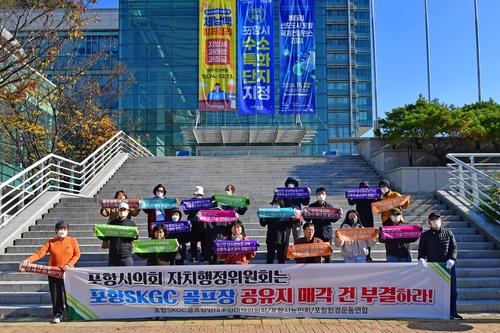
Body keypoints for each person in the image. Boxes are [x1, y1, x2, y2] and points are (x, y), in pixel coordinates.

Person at [22, 221, 80, 323]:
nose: (62, 231)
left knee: (69, 294)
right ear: (56, 230)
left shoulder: (72, 240)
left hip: (68, 272)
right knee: (56, 294)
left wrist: (69, 264)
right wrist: (28, 260)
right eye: (60, 229)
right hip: (54, 272)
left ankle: (72, 313)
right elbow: (40, 253)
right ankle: (58, 314)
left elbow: (77, 254)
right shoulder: (51, 242)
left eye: (64, 229)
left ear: (68, 230)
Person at [418, 212, 462, 320]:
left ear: (441, 220)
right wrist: (421, 258)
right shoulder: (425, 235)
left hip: (447, 266)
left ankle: (453, 312)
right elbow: (422, 250)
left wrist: (452, 259)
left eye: (437, 219)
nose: (436, 221)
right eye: (433, 219)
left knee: (452, 290)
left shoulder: (448, 233)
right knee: (434, 290)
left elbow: (454, 247)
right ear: (429, 222)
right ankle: (434, 311)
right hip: (433, 266)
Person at [97, 202, 139, 266]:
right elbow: (106, 237)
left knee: (127, 275)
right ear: (118, 211)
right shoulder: (112, 223)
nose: (122, 211)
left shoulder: (131, 223)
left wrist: (136, 235)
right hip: (113, 256)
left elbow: (133, 238)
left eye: (124, 210)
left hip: (126, 256)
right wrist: (98, 233)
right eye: (120, 210)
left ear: (127, 211)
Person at [347, 181, 377, 261]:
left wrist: (379, 196)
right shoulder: (358, 196)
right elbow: (351, 203)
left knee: (369, 237)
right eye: (362, 188)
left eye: (366, 188)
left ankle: (368, 255)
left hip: (369, 219)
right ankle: (361, 254)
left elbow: (377, 202)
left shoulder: (371, 196)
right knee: (361, 238)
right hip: (359, 219)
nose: (364, 190)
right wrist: (349, 195)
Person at [305, 187, 337, 263]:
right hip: (316, 232)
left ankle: (328, 269)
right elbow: (308, 220)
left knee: (327, 253)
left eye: (323, 193)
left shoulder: (329, 207)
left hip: (327, 232)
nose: (321, 195)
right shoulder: (311, 206)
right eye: (319, 194)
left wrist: (338, 215)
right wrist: (304, 214)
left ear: (325, 195)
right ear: (316, 195)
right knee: (315, 253)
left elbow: (333, 220)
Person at [259, 197, 293, 264]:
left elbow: (289, 225)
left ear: (281, 206)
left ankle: (281, 272)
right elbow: (263, 224)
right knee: (270, 258)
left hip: (281, 240)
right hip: (271, 239)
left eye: (277, 204)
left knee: (281, 259)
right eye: (274, 203)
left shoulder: (285, 214)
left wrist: (291, 217)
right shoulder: (269, 214)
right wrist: (261, 216)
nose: (276, 205)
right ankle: (269, 272)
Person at [283, 177, 310, 243]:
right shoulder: (283, 193)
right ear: (287, 184)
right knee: (285, 239)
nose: (291, 184)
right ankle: (284, 252)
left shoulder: (299, 193)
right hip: (286, 218)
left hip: (297, 218)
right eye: (289, 183)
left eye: (293, 183)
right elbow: (277, 202)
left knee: (297, 239)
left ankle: (296, 253)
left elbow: (305, 203)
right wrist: (276, 194)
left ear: (295, 185)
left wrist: (308, 194)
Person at [187, 186, 207, 263]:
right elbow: (187, 211)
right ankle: (193, 255)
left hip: (203, 223)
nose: (198, 196)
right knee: (193, 240)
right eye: (197, 194)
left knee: (203, 240)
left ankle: (203, 255)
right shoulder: (191, 201)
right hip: (193, 222)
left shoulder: (206, 201)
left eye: (199, 194)